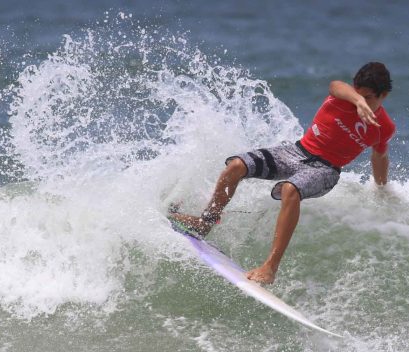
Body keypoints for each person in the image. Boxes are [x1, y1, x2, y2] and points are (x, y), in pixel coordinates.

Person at [170, 62, 396, 284]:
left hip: (326, 170)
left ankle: (270, 267)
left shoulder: (383, 127)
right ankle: (205, 222)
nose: (361, 103)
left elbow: (379, 156)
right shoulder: (343, 96)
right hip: (296, 151)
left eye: (368, 98)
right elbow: (336, 85)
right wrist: (357, 100)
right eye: (358, 94)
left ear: (383, 96)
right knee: (236, 165)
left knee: (290, 190)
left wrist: (381, 188)